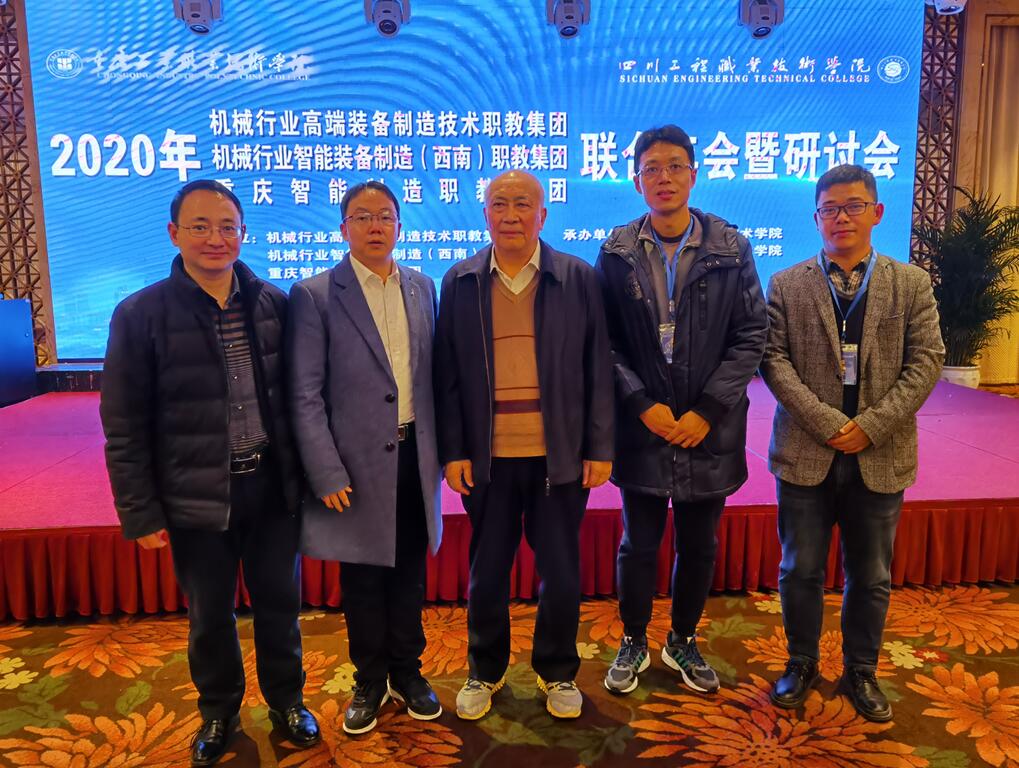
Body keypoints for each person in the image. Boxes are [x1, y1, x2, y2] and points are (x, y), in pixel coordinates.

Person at [100, 180, 319, 767]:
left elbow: (299, 401)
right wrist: (139, 510)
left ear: (243, 233)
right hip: (195, 496)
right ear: (174, 234)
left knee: (280, 606)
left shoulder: (274, 304)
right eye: (199, 226)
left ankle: (287, 701)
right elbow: (123, 424)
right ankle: (219, 711)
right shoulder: (140, 314)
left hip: (270, 488)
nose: (215, 238)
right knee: (209, 615)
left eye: (227, 226)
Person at [760, 164, 944, 721]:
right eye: (830, 209)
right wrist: (825, 422)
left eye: (853, 206)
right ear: (816, 217)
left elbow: (927, 360)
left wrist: (871, 425)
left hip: (880, 453)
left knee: (871, 575)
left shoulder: (910, 282)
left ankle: (861, 670)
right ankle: (801, 662)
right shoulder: (786, 283)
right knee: (800, 569)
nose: (841, 217)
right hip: (805, 451)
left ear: (876, 212)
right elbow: (773, 360)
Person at [595, 125, 768, 697]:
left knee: (699, 546)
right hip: (643, 425)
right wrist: (640, 403)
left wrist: (708, 410)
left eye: (674, 166)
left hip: (707, 428)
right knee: (638, 544)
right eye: (652, 168)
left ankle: (683, 639)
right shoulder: (616, 252)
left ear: (694, 175)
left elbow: (751, 334)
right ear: (636, 180)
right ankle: (633, 638)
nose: (663, 177)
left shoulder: (732, 248)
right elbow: (606, 341)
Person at [435, 170, 614, 721]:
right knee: (487, 573)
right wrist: (454, 451)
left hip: (557, 456)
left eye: (522, 204)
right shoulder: (461, 280)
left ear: (543, 215)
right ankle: (484, 669)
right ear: (484, 213)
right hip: (487, 459)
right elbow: (447, 375)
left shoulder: (576, 277)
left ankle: (557, 670)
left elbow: (598, 366)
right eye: (499, 204)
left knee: (559, 571)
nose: (510, 215)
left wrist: (599, 446)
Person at [288, 181, 443, 735]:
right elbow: (304, 394)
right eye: (362, 216)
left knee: (409, 571)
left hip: (414, 455)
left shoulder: (423, 287)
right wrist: (325, 471)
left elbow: (431, 378)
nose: (375, 226)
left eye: (385, 216)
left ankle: (408, 672)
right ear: (343, 228)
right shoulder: (314, 295)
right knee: (363, 579)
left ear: (399, 225)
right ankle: (370, 679)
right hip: (352, 467)